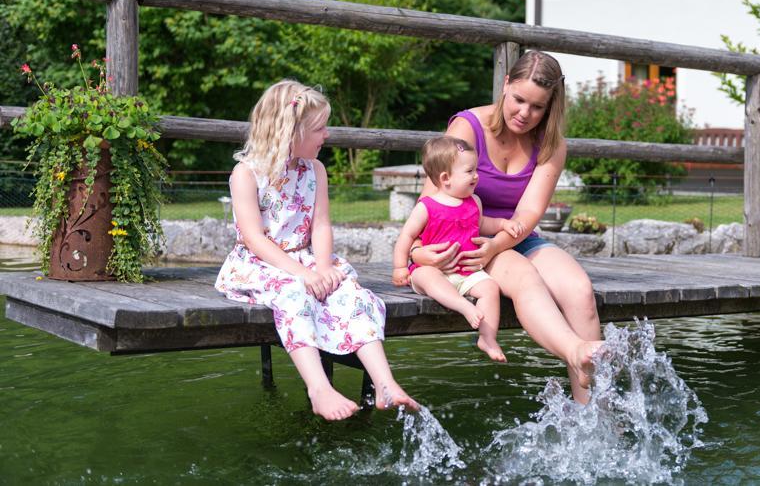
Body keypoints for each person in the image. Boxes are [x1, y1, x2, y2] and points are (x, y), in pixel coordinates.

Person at [215, 79, 418, 421]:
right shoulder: (246, 174)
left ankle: (385, 383)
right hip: (261, 263)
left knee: (352, 293)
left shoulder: (316, 171)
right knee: (295, 294)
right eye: (320, 129)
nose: (327, 136)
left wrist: (323, 268)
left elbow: (321, 224)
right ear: (289, 132)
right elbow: (254, 238)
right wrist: (304, 274)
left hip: (306, 257)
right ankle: (318, 388)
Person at [409, 51, 604, 403]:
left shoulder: (551, 144)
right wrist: (418, 251)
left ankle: (591, 411)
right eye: (519, 100)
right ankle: (576, 353)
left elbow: (529, 213)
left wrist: (497, 244)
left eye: (538, 107)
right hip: (464, 241)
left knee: (581, 292)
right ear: (506, 85)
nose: (525, 114)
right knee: (526, 278)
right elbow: (433, 201)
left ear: (550, 107)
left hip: (516, 236)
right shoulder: (467, 128)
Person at [392, 135, 524, 363]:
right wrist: (400, 266)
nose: (476, 176)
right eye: (469, 171)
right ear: (445, 179)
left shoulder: (474, 202)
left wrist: (503, 224)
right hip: (435, 271)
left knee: (490, 287)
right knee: (426, 274)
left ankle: (488, 337)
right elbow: (407, 235)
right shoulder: (427, 206)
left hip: (466, 272)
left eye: (475, 170)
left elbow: (482, 224)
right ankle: (464, 306)